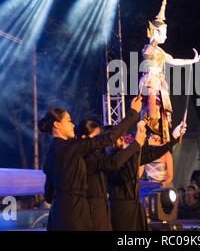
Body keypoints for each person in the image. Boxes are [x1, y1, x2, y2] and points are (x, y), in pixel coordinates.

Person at [40, 96, 142, 231]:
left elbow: (48, 196)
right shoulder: (72, 147)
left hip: (57, 215)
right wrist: (133, 113)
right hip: (75, 213)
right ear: (57, 125)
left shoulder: (50, 154)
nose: (73, 125)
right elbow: (108, 138)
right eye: (69, 121)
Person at [139, 0, 200, 142]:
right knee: (152, 110)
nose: (166, 36)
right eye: (163, 32)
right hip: (151, 82)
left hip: (159, 83)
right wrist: (154, 37)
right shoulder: (149, 48)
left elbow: (173, 60)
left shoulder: (160, 51)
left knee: (163, 111)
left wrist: (190, 61)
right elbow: (147, 54)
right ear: (155, 32)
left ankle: (162, 135)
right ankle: (152, 131)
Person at [107, 122, 187, 231]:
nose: (123, 139)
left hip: (135, 207)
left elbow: (153, 154)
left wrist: (173, 137)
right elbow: (128, 160)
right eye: (120, 138)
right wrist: (140, 142)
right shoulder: (109, 160)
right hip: (122, 210)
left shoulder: (128, 155)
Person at [80, 123, 145, 231]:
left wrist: (172, 139)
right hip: (116, 208)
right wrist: (135, 144)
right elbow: (119, 167)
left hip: (124, 207)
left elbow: (147, 156)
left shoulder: (115, 156)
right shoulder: (95, 158)